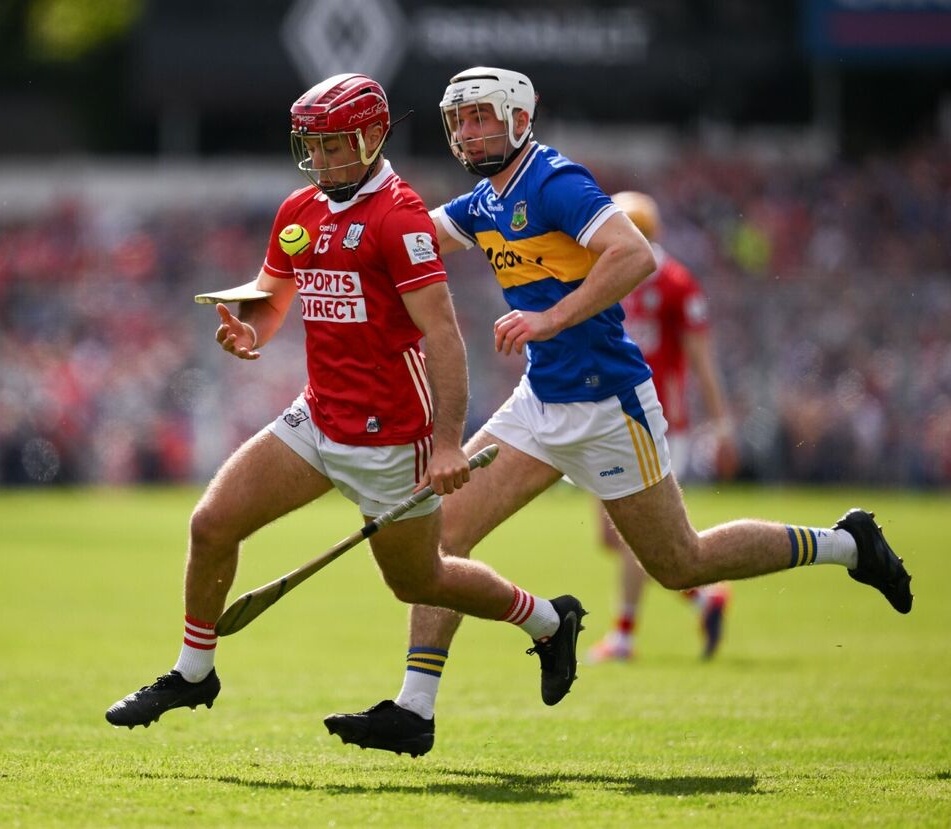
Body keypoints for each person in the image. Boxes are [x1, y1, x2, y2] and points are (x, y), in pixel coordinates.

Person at [324, 66, 913, 756]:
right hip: (539, 405)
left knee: (681, 562)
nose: (467, 131)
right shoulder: (485, 202)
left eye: (481, 116)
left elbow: (633, 256)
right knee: (441, 538)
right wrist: (330, 237)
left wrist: (549, 319)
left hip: (609, 405)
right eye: (458, 121)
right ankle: (416, 708)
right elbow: (409, 240)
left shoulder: (555, 182)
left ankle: (849, 544)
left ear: (519, 117)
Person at [104, 73, 585, 755]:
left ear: (371, 137)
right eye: (314, 146)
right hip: (318, 418)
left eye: (337, 146)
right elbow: (273, 295)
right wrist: (252, 332)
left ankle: (546, 620)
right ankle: (193, 672)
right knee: (212, 522)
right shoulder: (298, 211)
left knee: (420, 580)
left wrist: (448, 442)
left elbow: (444, 337)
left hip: (393, 436)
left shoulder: (400, 218)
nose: (323, 160)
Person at [586, 190, 738, 664]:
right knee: (613, 536)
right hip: (606, 418)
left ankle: (624, 636)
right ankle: (704, 597)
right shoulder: (611, 273)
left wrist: (722, 424)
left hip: (654, 422)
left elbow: (701, 361)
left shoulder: (673, 282)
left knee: (637, 532)